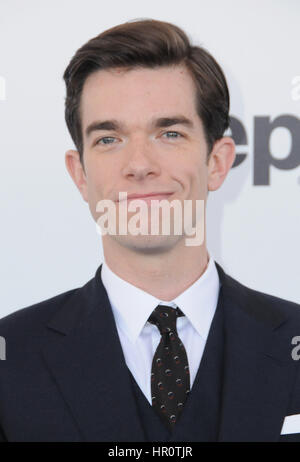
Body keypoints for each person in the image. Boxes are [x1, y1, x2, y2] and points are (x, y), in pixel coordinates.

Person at [0, 18, 300, 443]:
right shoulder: (10, 356)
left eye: (169, 133)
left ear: (217, 162)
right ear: (79, 173)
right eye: (108, 139)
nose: (139, 165)